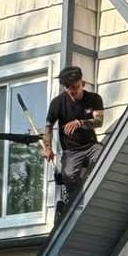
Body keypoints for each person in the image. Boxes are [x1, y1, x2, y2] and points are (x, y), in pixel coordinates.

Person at [42, 66, 105, 213]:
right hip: (71, 150)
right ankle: (73, 201)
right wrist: (47, 147)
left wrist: (80, 122)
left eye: (77, 87)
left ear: (82, 83)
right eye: (71, 89)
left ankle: (95, 191)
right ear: (65, 88)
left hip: (90, 145)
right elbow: (48, 126)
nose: (75, 91)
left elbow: (99, 122)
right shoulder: (57, 103)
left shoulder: (94, 99)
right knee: (69, 175)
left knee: (103, 156)